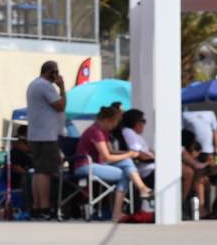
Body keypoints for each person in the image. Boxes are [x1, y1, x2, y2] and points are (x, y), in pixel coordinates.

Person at [73, 105, 153, 222]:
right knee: (126, 171)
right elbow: (108, 157)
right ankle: (138, 192)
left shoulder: (102, 130)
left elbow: (111, 151)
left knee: (126, 164)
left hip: (97, 164)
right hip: (85, 166)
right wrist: (129, 154)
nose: (115, 126)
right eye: (114, 123)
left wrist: (128, 152)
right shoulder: (96, 132)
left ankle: (139, 191)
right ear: (107, 120)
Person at [25, 60, 66, 219]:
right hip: (46, 136)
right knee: (46, 172)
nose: (57, 75)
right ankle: (44, 207)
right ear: (51, 72)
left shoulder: (35, 84)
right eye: (56, 72)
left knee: (39, 171)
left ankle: (37, 206)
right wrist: (61, 86)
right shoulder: (45, 86)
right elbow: (61, 105)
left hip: (37, 134)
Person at [119, 109, 154, 181]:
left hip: (150, 165)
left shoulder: (136, 135)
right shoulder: (128, 132)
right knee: (180, 169)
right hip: (146, 169)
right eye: (143, 121)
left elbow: (149, 150)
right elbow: (139, 154)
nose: (144, 124)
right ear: (136, 123)